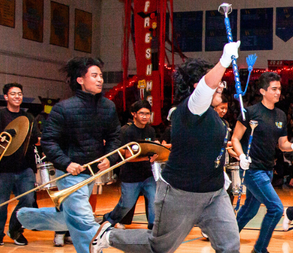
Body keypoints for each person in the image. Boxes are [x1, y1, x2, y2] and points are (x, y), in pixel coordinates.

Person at [90, 47, 242, 253]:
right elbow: (206, 88)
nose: (221, 87)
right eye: (217, 84)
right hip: (181, 194)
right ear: (197, 87)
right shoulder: (190, 110)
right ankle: (109, 236)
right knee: (159, 247)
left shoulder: (214, 117)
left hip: (214, 194)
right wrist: (224, 61)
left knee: (230, 247)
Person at [17, 57, 121, 252]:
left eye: (101, 76)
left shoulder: (108, 107)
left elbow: (115, 136)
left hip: (92, 174)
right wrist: (66, 163)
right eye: (94, 75)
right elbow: (48, 141)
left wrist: (110, 157)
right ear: (80, 80)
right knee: (83, 220)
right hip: (70, 175)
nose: (100, 80)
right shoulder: (62, 109)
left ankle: (25, 217)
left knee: (72, 216)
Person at [232, 72, 293, 253]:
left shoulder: (280, 115)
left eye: (279, 88)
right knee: (276, 209)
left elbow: (282, 144)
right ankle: (260, 249)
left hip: (267, 170)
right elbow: (235, 138)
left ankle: (226, 240)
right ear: (263, 91)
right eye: (274, 89)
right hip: (252, 170)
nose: (278, 92)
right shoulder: (250, 113)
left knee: (250, 210)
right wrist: (241, 156)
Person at [0, 83, 38, 247]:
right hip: (2, 169)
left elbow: (36, 138)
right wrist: (3, 135)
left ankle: (15, 231)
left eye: (20, 94)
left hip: (25, 167)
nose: (17, 96)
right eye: (13, 94)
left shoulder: (29, 118)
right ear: (6, 97)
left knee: (28, 201)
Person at [102, 100, 158, 230]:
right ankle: (109, 219)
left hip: (147, 175)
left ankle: (153, 227)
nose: (145, 117)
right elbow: (128, 157)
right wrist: (146, 158)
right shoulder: (127, 131)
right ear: (134, 114)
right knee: (126, 205)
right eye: (141, 113)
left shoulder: (150, 130)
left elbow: (154, 148)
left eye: (148, 114)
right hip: (130, 176)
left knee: (154, 200)